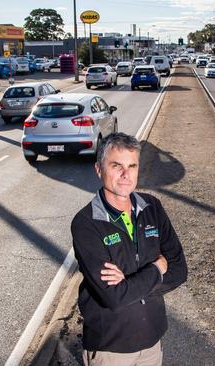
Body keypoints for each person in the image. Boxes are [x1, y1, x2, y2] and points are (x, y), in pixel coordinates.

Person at [71, 133, 188, 366]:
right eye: (116, 166)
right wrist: (156, 268)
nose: (126, 174)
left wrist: (129, 285)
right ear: (98, 169)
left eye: (132, 165)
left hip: (152, 342)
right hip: (110, 349)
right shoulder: (86, 223)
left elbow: (179, 270)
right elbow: (113, 296)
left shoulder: (152, 207)